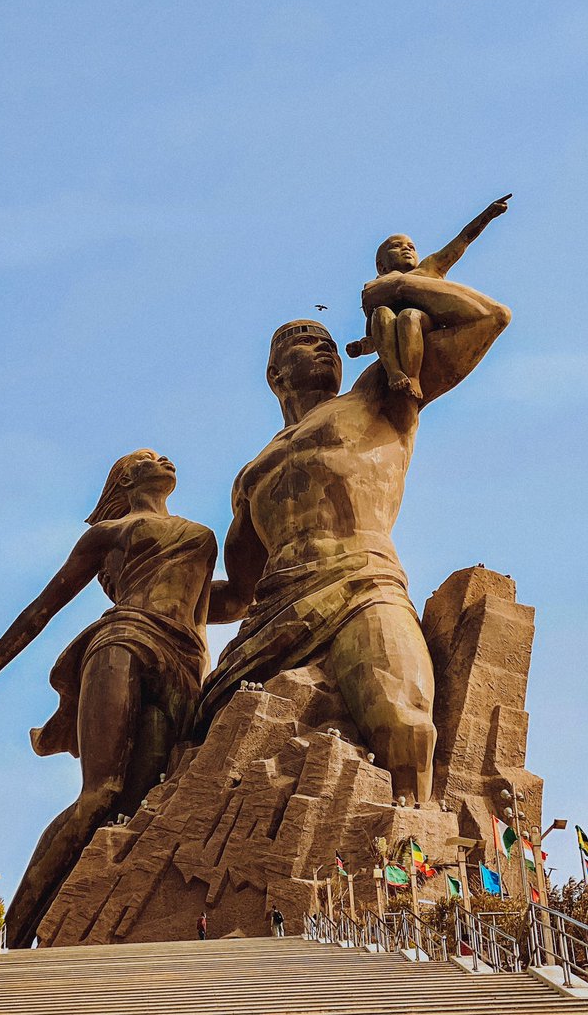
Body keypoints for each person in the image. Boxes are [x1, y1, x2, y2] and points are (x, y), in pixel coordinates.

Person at [199, 254, 511, 805]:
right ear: (274, 374)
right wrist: (149, 605)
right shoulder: (251, 476)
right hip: (272, 619)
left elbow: (488, 318)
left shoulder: (378, 395)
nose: (320, 344)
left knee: (406, 727)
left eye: (325, 339)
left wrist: (395, 284)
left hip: (363, 584)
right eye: (300, 338)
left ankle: (414, 865)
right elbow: (237, 596)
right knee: (197, 749)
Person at [0, 450, 217, 948]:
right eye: (150, 457)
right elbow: (41, 609)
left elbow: (225, 600)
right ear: (127, 478)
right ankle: (14, 935)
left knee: (140, 804)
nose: (166, 458)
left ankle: (100, 928)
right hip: (123, 641)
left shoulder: (201, 534)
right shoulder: (107, 535)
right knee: (100, 796)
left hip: (185, 663)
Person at [346, 194, 510, 400]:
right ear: (381, 265)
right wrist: (361, 347)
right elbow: (377, 336)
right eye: (396, 246)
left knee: (409, 315)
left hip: (420, 324)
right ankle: (394, 371)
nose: (406, 248)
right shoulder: (376, 289)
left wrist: (487, 215)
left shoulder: (427, 269)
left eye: (411, 247)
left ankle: (413, 376)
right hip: (389, 337)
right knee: (382, 313)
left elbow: (462, 241)